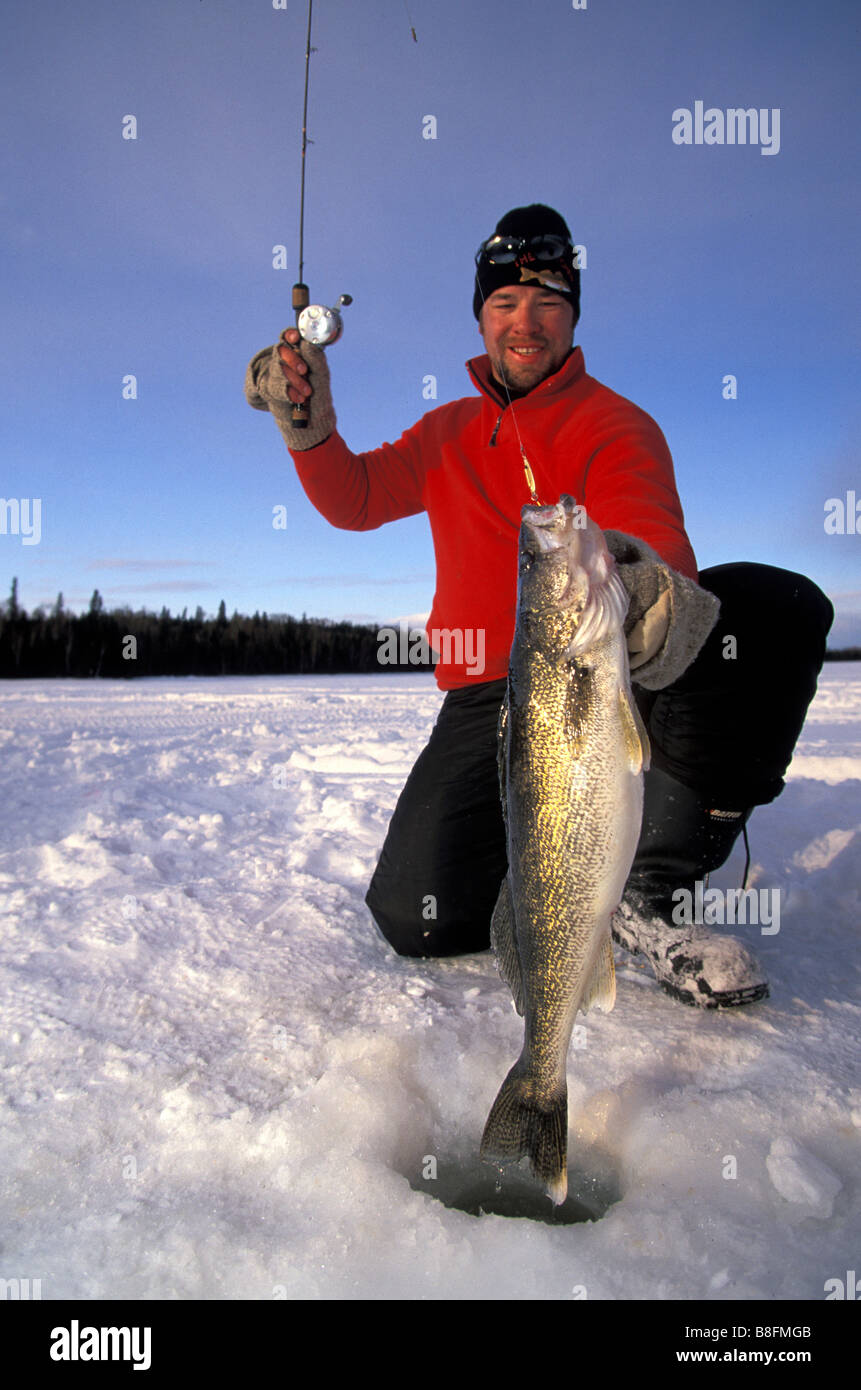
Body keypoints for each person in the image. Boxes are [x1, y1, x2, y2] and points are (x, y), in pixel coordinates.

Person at [245, 203, 833, 1009]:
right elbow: (356, 499)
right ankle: (556, 881)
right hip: (485, 693)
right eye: (505, 303)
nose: (526, 323)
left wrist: (646, 586)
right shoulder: (445, 431)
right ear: (482, 317)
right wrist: (303, 423)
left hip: (600, 669)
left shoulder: (614, 424)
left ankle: (646, 889)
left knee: (770, 606)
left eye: (549, 301)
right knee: (418, 918)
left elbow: (649, 530)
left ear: (572, 315)